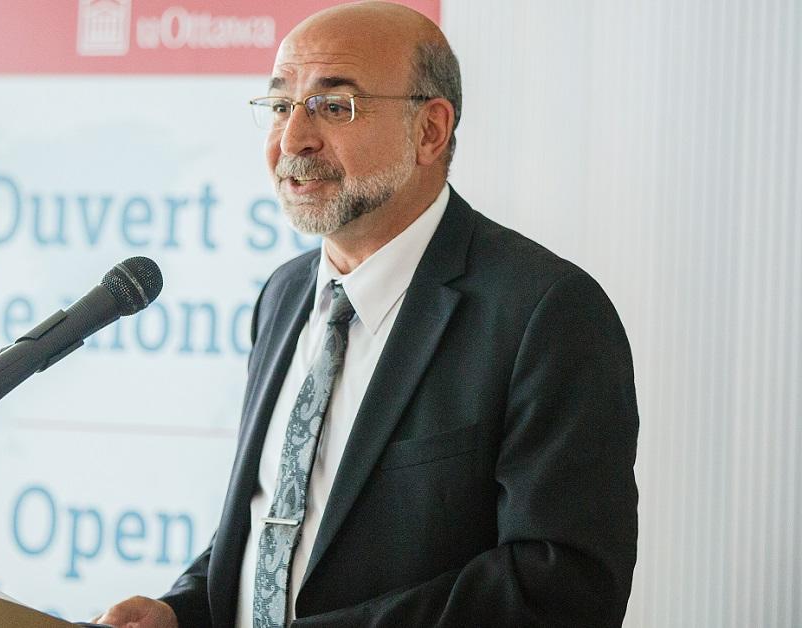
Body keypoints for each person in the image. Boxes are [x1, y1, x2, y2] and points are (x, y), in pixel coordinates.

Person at [96, 2, 639, 626]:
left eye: (334, 106)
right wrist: (182, 610)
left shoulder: (544, 315)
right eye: (280, 106)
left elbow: (561, 588)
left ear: (430, 131)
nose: (293, 139)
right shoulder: (283, 295)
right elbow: (281, 523)